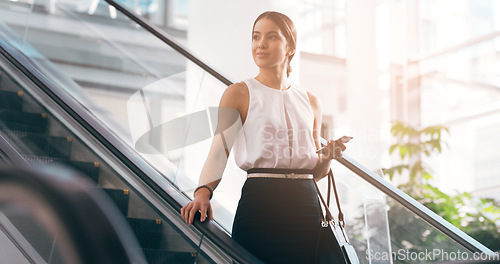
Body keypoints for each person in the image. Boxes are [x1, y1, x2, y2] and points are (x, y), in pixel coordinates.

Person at [181, 11, 351, 263]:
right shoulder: (238, 93)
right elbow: (219, 150)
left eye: (272, 37)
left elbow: (316, 172)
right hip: (261, 203)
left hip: (304, 206)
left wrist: (328, 157)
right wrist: (203, 192)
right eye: (256, 37)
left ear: (290, 47)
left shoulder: (311, 101)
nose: (260, 44)